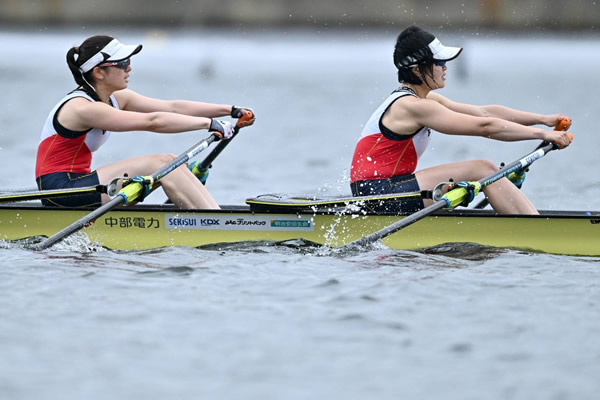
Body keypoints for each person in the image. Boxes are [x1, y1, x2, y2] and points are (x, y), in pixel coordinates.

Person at [350, 25, 572, 215]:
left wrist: (543, 119)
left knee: (485, 169)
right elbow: (485, 127)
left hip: (391, 187)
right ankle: (534, 227)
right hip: (377, 193)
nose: (445, 67)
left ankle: (530, 220)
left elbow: (484, 113)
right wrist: (543, 135)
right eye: (439, 62)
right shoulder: (413, 107)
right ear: (417, 70)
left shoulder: (425, 100)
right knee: (483, 168)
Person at [35, 35, 255, 209]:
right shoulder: (82, 108)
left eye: (129, 61)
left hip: (83, 183)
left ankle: (212, 215)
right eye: (122, 63)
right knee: (162, 163)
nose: (129, 68)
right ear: (99, 72)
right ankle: (212, 223)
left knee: (170, 162)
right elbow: (153, 122)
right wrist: (209, 124)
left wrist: (230, 110)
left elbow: (171, 107)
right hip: (62, 191)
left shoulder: (115, 97)